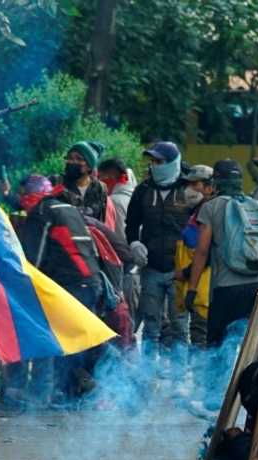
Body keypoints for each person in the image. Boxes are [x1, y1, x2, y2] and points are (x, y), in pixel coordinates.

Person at [17, 175, 103, 401]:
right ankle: (76, 394)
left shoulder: (42, 213)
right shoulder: (68, 208)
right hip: (91, 281)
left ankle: (53, 395)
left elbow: (33, 260)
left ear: (29, 195)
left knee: (58, 341)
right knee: (77, 341)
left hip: (70, 285)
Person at [187, 159, 258, 347]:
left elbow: (202, 252)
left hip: (227, 287)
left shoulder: (211, 207)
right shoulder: (257, 206)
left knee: (217, 347)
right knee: (252, 346)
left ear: (216, 180)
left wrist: (192, 289)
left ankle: (218, 378)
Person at [125, 141, 193, 359]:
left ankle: (179, 377)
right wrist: (134, 243)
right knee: (150, 325)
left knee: (180, 325)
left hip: (180, 270)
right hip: (151, 268)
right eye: (152, 161)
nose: (154, 165)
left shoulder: (189, 188)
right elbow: (131, 224)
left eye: (160, 161)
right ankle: (148, 376)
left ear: (173, 163)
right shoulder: (143, 190)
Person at [175, 164, 215, 349]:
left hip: (204, 289)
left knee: (201, 340)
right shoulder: (195, 212)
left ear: (209, 187)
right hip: (196, 287)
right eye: (188, 184)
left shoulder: (210, 211)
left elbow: (205, 252)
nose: (190, 189)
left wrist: (186, 272)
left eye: (195, 184)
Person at [98, 157, 141, 325]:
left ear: (109, 178)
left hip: (124, 272)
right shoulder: (136, 196)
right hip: (139, 271)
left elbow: (118, 240)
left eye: (101, 178)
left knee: (124, 327)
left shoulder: (114, 201)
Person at [63, 140, 109, 221]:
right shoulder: (57, 182)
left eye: (79, 159)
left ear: (89, 166)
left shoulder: (100, 188)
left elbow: (101, 219)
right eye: (70, 158)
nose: (73, 162)